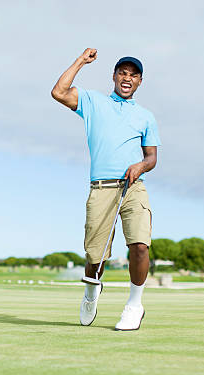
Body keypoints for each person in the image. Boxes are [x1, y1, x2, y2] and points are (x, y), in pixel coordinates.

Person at [51, 48, 160, 331]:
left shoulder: (146, 116)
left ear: (139, 82)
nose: (127, 78)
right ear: (114, 76)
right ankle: (91, 292)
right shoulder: (93, 101)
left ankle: (134, 306)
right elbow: (59, 92)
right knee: (95, 257)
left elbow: (152, 158)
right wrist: (80, 62)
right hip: (101, 188)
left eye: (133, 75)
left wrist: (141, 166)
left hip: (133, 187)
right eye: (123, 73)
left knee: (139, 245)